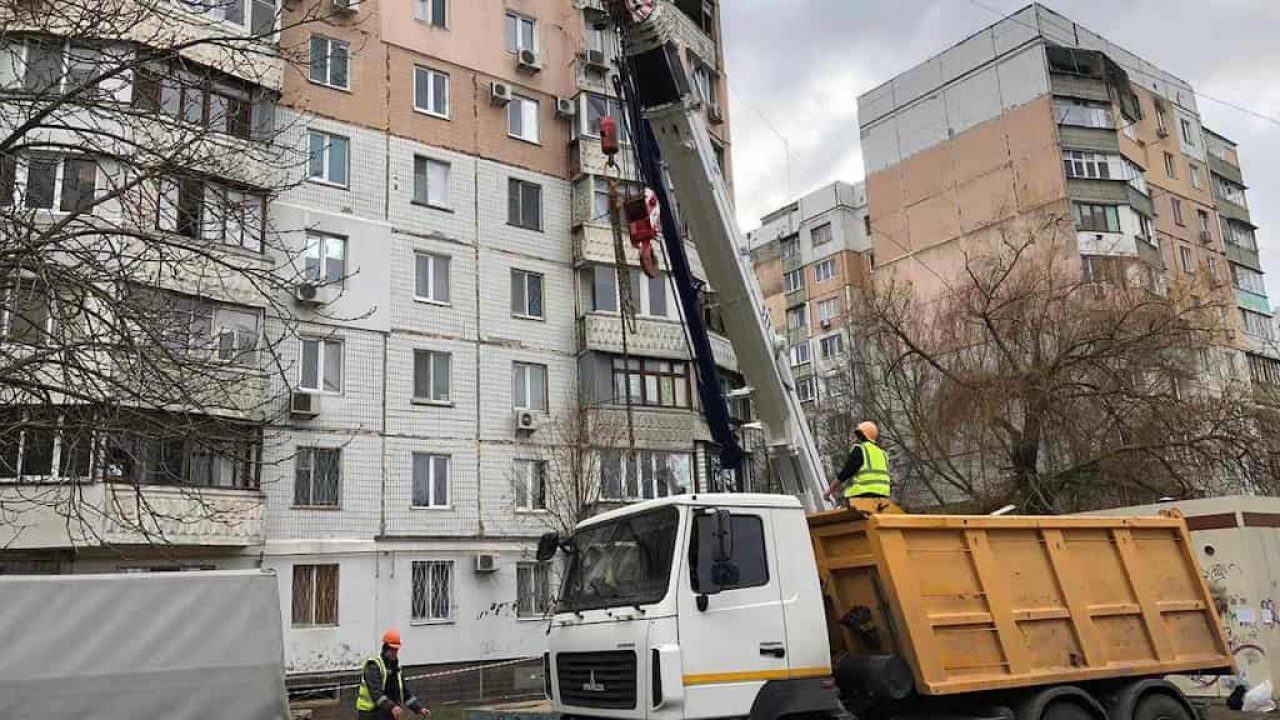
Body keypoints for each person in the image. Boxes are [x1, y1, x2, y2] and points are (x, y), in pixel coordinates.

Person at [356, 630, 430, 720]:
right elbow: (376, 693)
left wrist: (419, 708)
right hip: (370, 713)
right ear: (385, 648)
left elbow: (404, 693)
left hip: (387, 712)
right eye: (392, 649)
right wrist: (392, 707)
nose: (394, 652)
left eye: (396, 650)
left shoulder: (396, 668)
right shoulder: (373, 665)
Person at [824, 421, 892, 506]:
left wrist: (829, 491)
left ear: (860, 436)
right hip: (883, 496)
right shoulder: (883, 454)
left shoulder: (860, 450)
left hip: (862, 495)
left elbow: (845, 473)